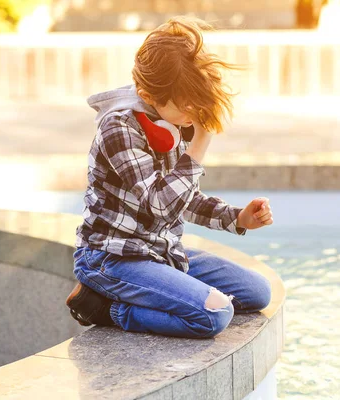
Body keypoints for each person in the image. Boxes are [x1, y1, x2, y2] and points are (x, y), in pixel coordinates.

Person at [66, 16, 274, 339]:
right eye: (185, 104)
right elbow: (160, 205)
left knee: (258, 292)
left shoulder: (172, 122)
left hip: (161, 252)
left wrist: (238, 218)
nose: (193, 113)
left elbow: (184, 200)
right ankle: (106, 307)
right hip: (112, 258)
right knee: (214, 314)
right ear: (148, 94)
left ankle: (160, 289)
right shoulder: (118, 129)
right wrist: (202, 141)